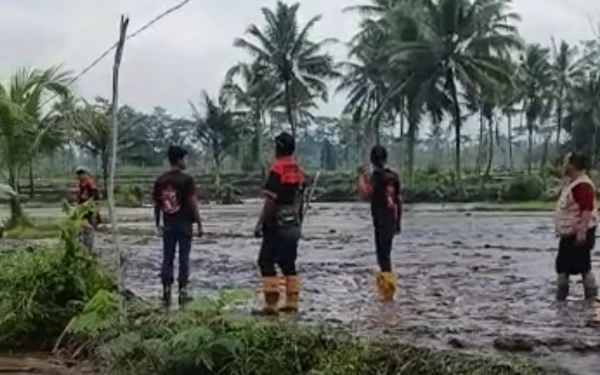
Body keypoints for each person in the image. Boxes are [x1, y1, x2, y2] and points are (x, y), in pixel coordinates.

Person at [254, 132, 306, 315]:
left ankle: (271, 304)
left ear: (279, 148)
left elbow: (271, 202)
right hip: (294, 223)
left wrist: (260, 223)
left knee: (265, 261)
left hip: (277, 224)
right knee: (288, 263)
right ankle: (292, 302)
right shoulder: (298, 170)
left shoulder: (277, 169)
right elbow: (299, 200)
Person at [152, 146, 203, 310]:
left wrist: (157, 224)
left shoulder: (160, 180)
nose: (186, 162)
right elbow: (192, 202)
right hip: (184, 225)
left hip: (168, 225)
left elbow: (157, 205)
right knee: (183, 259)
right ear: (179, 160)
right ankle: (182, 293)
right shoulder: (187, 180)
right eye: (185, 159)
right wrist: (200, 223)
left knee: (167, 258)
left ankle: (166, 292)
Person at [357, 145, 402, 302]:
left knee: (383, 258)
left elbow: (366, 192)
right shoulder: (393, 176)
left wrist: (361, 175)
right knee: (386, 255)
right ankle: (387, 293)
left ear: (372, 160)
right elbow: (398, 200)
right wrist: (398, 222)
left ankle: (387, 294)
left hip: (381, 221)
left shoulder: (377, 177)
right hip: (391, 219)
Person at [554, 151, 598, 301]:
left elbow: (586, 210)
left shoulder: (582, 185)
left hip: (578, 233)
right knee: (566, 267)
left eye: (566, 162)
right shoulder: (574, 183)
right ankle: (578, 303)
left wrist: (581, 232)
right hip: (571, 233)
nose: (563, 165)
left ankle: (589, 301)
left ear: (573, 165)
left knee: (583, 268)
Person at [75, 166, 100, 251]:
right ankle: (83, 248)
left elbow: (95, 198)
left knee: (89, 230)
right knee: (81, 230)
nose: (79, 176)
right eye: (78, 174)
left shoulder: (90, 184)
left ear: (86, 174)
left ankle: (89, 249)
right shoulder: (81, 185)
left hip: (90, 211)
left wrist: (94, 212)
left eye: (81, 173)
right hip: (82, 211)